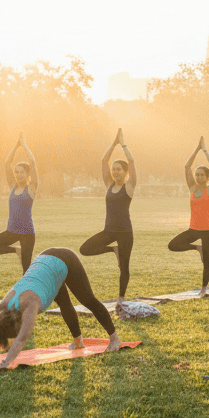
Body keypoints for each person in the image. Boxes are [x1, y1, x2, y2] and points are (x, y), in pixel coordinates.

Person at [0, 249, 120, 370]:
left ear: (20, 321)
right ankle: (78, 341)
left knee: (87, 299)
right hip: (43, 264)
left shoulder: (31, 305)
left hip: (64, 259)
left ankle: (114, 339)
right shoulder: (0, 308)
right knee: (63, 303)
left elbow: (21, 340)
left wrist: (4, 364)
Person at [79, 128, 136, 302]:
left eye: (119, 169)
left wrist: (123, 144)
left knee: (124, 267)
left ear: (125, 172)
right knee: (85, 249)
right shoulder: (109, 185)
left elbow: (131, 161)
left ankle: (121, 298)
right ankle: (113, 249)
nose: (115, 172)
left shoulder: (129, 187)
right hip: (109, 231)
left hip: (125, 232)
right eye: (114, 169)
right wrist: (113, 143)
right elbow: (104, 160)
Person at [167, 136, 209, 296]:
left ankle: (203, 290)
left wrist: (205, 150)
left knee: (207, 262)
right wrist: (197, 149)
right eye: (198, 175)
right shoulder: (192, 188)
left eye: (202, 175)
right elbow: (187, 166)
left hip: (208, 231)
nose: (199, 177)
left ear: (207, 177)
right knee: (173, 245)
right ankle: (197, 247)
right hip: (193, 230)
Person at [0, 131, 39, 273]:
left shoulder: (31, 188)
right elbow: (7, 163)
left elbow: (32, 162)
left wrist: (24, 145)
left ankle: (30, 286)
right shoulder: (12, 186)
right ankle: (16, 250)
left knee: (26, 270)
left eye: (22, 172)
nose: (18, 175)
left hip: (27, 233)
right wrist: (16, 145)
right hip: (11, 231)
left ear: (27, 174)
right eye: (17, 172)